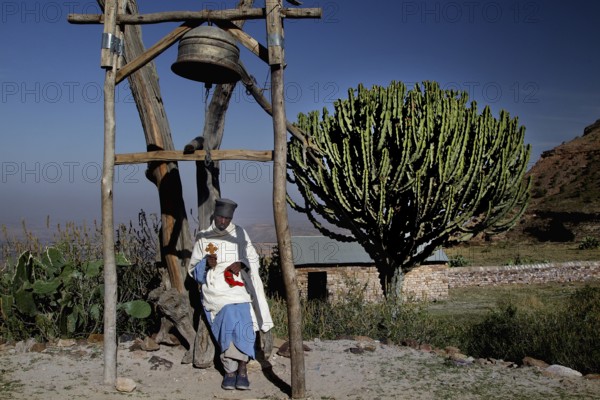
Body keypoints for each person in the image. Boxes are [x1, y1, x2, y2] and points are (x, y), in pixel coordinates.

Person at [188, 198, 273, 391]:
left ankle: (240, 368)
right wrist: (205, 264)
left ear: (231, 218)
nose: (223, 221)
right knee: (229, 312)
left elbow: (253, 258)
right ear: (214, 216)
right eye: (220, 217)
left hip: (237, 285)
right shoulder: (203, 237)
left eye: (227, 218)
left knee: (242, 310)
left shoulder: (240, 233)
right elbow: (193, 269)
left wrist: (242, 263)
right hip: (215, 287)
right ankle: (231, 370)